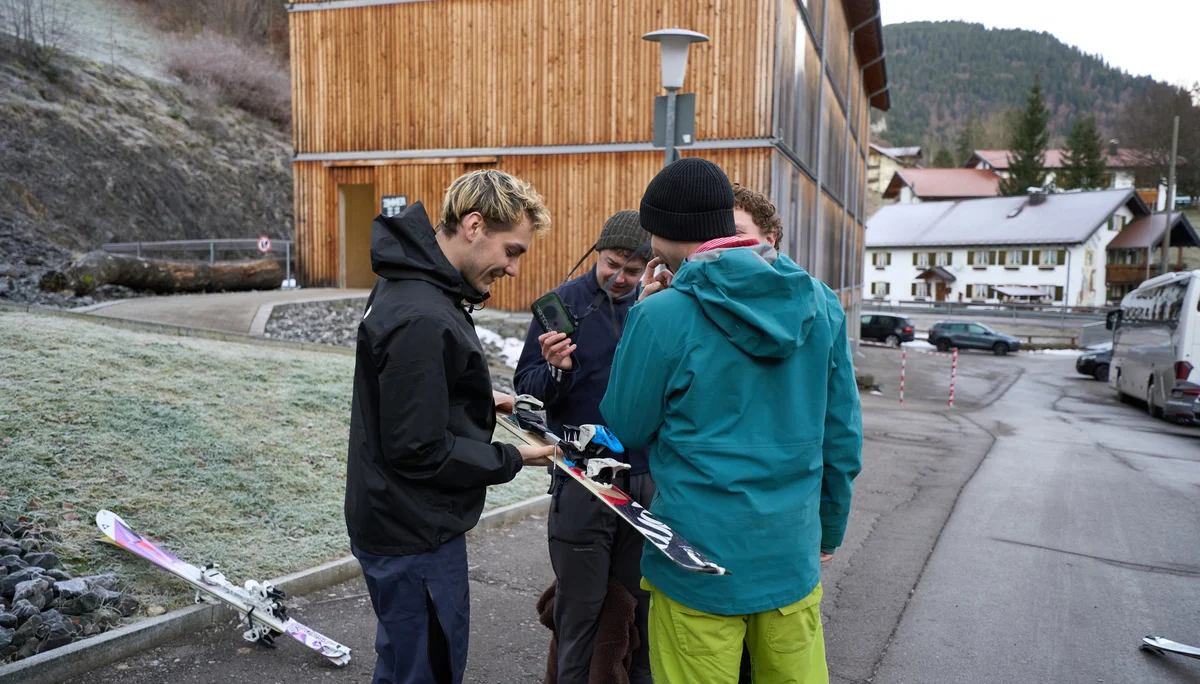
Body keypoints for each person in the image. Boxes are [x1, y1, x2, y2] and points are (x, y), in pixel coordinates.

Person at [600, 158, 864, 684]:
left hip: (698, 562)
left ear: (663, 232)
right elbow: (842, 437)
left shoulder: (662, 313)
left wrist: (642, 320)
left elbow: (626, 426)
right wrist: (828, 529)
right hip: (790, 556)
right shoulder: (820, 302)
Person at [344, 169, 560, 684]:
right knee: (423, 670)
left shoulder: (416, 283)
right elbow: (417, 448)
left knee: (405, 661)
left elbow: (403, 390)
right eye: (511, 251)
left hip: (401, 517)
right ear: (474, 224)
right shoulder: (422, 313)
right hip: (412, 529)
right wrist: (514, 458)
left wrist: (475, 396)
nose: (511, 268)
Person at [513, 210, 655, 684]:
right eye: (611, 264)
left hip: (644, 478)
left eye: (631, 271)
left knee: (642, 612)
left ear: (648, 269)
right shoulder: (560, 304)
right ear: (597, 253)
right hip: (582, 477)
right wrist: (557, 369)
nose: (618, 277)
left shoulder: (657, 309)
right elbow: (526, 389)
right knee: (579, 614)